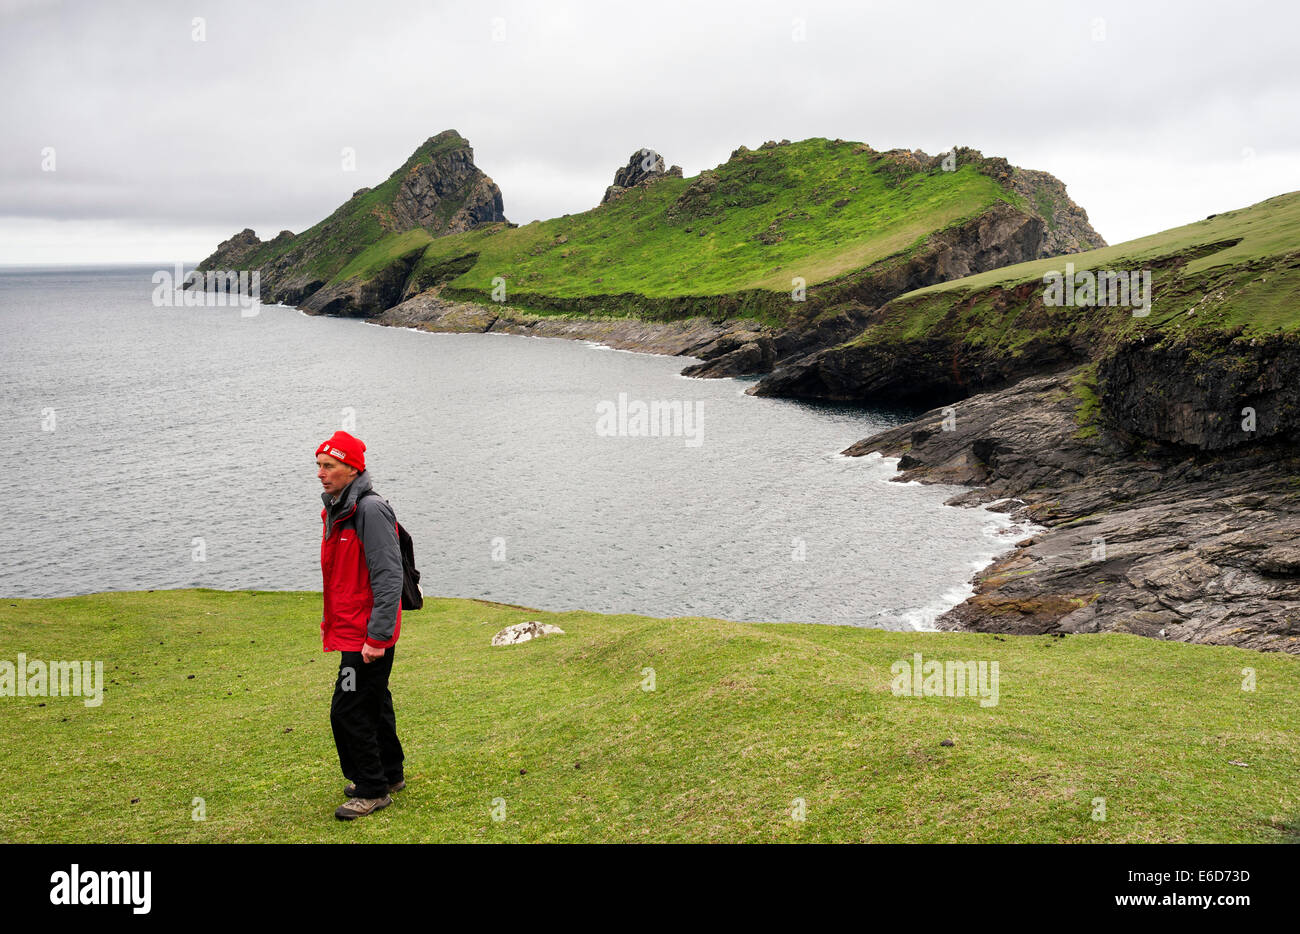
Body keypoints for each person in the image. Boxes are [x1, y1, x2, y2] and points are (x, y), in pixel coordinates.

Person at [315, 430, 406, 821]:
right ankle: (390, 773)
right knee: (374, 700)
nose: (321, 473)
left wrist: (377, 637)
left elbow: (389, 576)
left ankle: (371, 788)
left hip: (367, 634)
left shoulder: (368, 510)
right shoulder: (339, 507)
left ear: (352, 468)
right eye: (318, 465)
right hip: (355, 629)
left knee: (349, 708)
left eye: (329, 465)